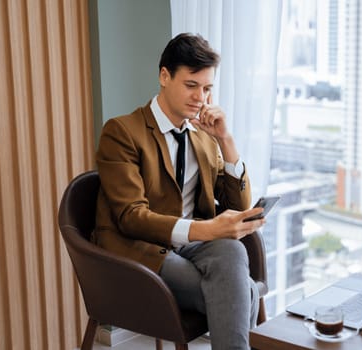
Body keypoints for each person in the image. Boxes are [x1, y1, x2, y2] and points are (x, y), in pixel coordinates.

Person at [93, 33, 266, 349]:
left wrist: (226, 140)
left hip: (189, 246)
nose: (200, 97)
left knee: (234, 251)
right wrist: (205, 229)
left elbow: (236, 204)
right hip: (137, 249)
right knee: (241, 290)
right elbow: (130, 217)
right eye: (191, 85)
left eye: (207, 88)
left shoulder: (202, 138)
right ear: (164, 76)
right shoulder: (122, 131)